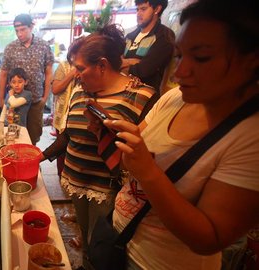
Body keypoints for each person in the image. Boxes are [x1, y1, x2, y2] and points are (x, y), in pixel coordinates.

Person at [103, 0, 259, 268]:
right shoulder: (175, 97)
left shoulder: (250, 136)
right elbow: (132, 160)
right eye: (179, 56)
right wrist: (116, 138)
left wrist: (150, 171)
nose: (180, 71)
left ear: (251, 60)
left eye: (201, 57)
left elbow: (209, 239)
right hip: (120, 241)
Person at [41, 25, 156, 264]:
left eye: (80, 68)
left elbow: (146, 152)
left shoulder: (140, 96)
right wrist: (39, 156)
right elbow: (68, 134)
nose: (76, 74)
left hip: (107, 187)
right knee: (85, 234)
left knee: (102, 244)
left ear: (102, 65)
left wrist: (105, 132)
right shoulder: (79, 92)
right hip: (75, 179)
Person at [0, 13, 54, 144]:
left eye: (22, 29)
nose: (19, 34)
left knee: (33, 137)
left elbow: (49, 73)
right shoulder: (10, 48)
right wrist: (1, 99)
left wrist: (45, 98)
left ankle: (31, 162)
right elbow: (3, 74)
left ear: (31, 26)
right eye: (17, 30)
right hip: (15, 103)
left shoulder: (43, 46)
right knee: (13, 136)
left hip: (35, 101)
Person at [121, 0, 175, 93]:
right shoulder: (130, 36)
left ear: (157, 9)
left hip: (144, 95)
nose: (138, 14)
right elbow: (115, 62)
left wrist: (123, 64)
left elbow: (144, 70)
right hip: (120, 89)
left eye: (143, 9)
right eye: (137, 9)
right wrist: (132, 61)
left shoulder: (165, 35)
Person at [50, 44, 81, 177]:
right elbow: (56, 89)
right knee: (61, 148)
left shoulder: (89, 68)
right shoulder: (64, 66)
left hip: (79, 116)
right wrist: (72, 73)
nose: (75, 58)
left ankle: (73, 178)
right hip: (62, 115)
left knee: (76, 149)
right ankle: (61, 177)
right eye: (73, 54)